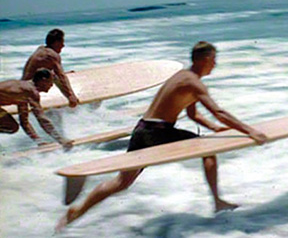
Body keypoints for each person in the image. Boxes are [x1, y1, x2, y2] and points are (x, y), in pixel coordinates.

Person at [56, 41, 268, 231]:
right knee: (209, 150)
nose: (216, 64)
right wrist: (250, 131)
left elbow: (193, 114)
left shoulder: (183, 77)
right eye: (214, 60)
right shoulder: (194, 82)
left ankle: (76, 213)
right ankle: (217, 201)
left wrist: (213, 128)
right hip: (158, 132)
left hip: (142, 130)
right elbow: (219, 112)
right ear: (206, 59)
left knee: (123, 181)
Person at [0, 68, 73, 148]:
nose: (52, 85)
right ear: (43, 80)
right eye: (51, 81)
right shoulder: (31, 92)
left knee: (13, 127)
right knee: (11, 126)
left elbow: (24, 122)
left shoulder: (23, 93)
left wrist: (39, 141)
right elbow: (42, 118)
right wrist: (61, 139)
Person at [22, 29, 79, 108]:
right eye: (62, 42)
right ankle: (70, 99)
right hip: (29, 89)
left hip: (23, 84)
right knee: (56, 76)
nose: (63, 45)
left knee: (53, 74)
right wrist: (71, 95)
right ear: (56, 43)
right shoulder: (52, 55)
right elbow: (61, 76)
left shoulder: (41, 49)